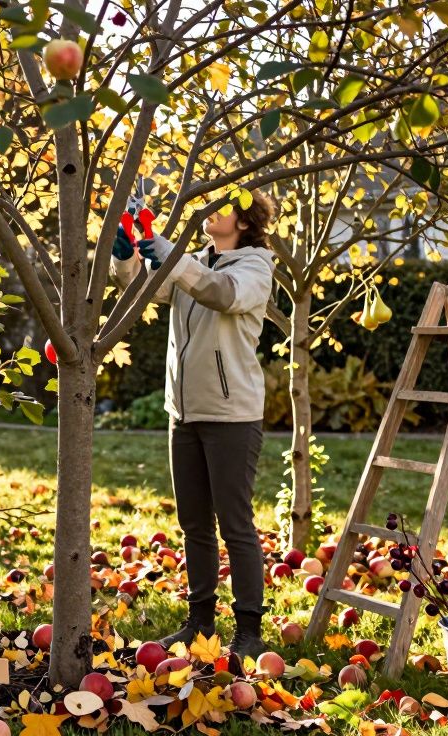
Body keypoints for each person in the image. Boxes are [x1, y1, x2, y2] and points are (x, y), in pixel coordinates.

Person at [110, 191, 277, 658]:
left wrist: (169, 253)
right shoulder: (197, 260)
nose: (209, 212)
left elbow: (218, 293)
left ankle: (249, 632)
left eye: (222, 207)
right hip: (182, 413)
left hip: (231, 416)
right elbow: (149, 290)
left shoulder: (255, 266)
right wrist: (126, 259)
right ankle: (199, 624)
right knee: (193, 524)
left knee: (235, 524)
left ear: (244, 221)